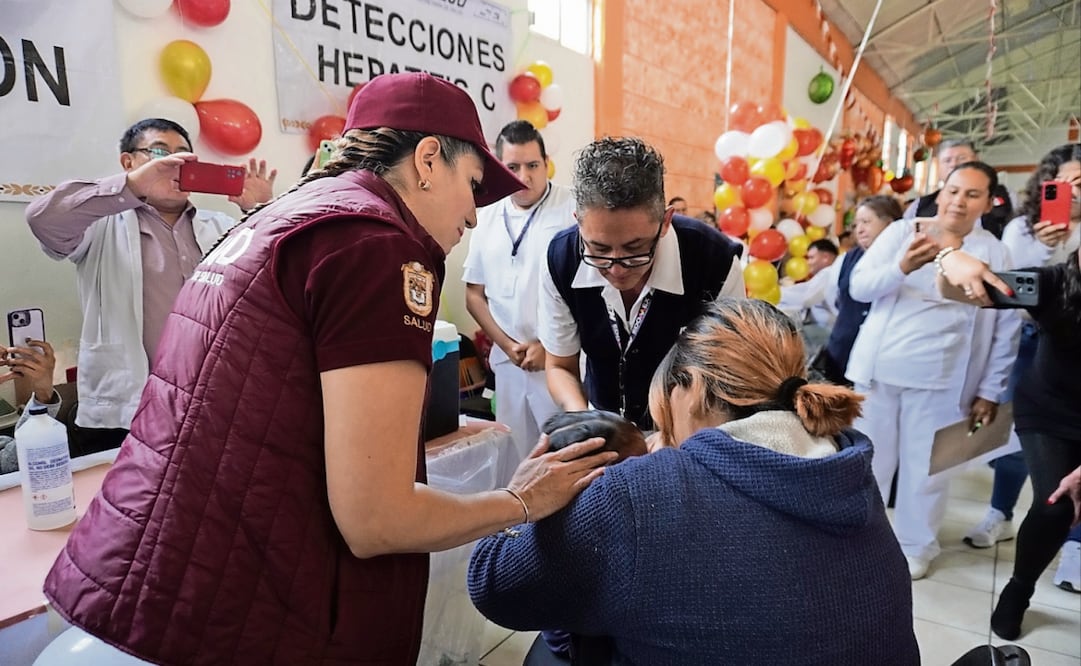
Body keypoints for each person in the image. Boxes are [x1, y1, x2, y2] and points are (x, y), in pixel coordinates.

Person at [42, 73, 615, 665]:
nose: (473, 215)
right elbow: (376, 517)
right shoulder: (374, 244)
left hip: (166, 570)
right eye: (472, 184)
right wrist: (520, 501)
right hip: (234, 602)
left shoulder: (283, 217)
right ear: (426, 160)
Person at [468, 298, 920, 664]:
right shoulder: (845, 467)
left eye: (664, 417)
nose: (662, 436)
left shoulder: (636, 494)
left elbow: (493, 585)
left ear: (694, 388)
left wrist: (521, 498)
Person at [24, 118, 278, 454]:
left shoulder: (223, 227)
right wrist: (131, 186)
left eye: (183, 155)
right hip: (127, 411)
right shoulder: (100, 228)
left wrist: (260, 212)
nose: (173, 163)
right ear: (129, 163)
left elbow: (276, 281)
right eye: (159, 153)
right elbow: (43, 219)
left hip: (212, 404)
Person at [847, 162, 1021, 580]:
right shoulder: (902, 233)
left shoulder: (995, 252)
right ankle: (855, 538)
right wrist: (901, 268)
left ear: (987, 202)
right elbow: (859, 287)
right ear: (940, 192)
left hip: (946, 378)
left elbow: (1006, 326)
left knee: (927, 471)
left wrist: (991, 389)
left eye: (972, 194)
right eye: (953, 190)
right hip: (881, 371)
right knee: (867, 463)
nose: (959, 201)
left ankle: (915, 545)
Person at [936, 184, 1080, 640]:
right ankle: (1018, 590)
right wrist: (950, 260)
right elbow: (963, 291)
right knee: (1055, 506)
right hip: (1051, 410)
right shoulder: (1053, 282)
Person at [539, 137, 744, 429]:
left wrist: (674, 436)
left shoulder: (714, 260)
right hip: (603, 422)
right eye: (599, 249)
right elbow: (559, 366)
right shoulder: (560, 258)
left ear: (665, 221)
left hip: (686, 429)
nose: (618, 268)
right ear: (578, 222)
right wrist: (585, 422)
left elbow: (726, 375)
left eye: (635, 249)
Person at [962, 144, 1081, 567]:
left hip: (1076, 349)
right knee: (1015, 437)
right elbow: (1011, 287)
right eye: (1064, 182)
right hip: (1031, 341)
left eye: (1080, 183)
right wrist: (1051, 247)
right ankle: (1000, 512)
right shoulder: (1023, 231)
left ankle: (1074, 543)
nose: (1073, 190)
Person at [463, 120, 574, 475]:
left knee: (564, 454)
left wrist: (550, 346)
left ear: (546, 163)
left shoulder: (571, 210)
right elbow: (474, 295)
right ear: (499, 167)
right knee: (516, 459)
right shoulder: (487, 215)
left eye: (532, 165)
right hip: (509, 364)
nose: (523, 176)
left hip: (559, 362)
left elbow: (587, 292)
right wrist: (508, 345)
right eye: (512, 167)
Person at [807, 195, 904, 386]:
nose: (859, 229)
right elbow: (833, 298)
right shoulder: (846, 260)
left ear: (890, 225)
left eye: (867, 222)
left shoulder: (904, 261)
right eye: (856, 224)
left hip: (886, 359)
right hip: (843, 352)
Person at [903, 138, 1013, 238]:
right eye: (947, 160)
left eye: (961, 158)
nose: (954, 164)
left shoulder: (1004, 196)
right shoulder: (920, 205)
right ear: (939, 167)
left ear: (976, 160)